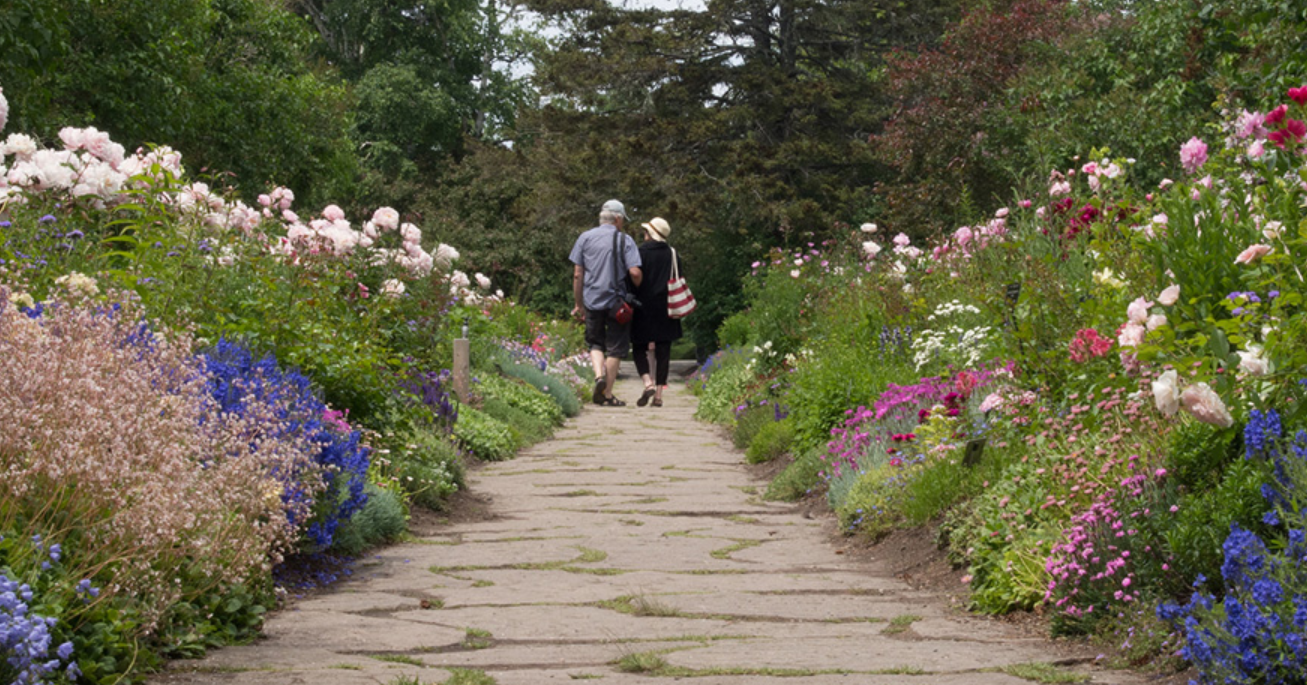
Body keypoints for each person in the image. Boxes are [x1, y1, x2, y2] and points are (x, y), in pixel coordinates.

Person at [569, 199, 643, 406]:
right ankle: (607, 394)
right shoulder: (625, 240)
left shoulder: (584, 238)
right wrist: (639, 287)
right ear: (618, 219)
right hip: (617, 303)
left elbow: (577, 274)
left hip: (592, 299)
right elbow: (635, 271)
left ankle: (598, 376)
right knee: (617, 348)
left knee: (595, 343)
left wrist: (579, 303)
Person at [629, 217, 683, 407]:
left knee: (638, 346)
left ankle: (647, 382)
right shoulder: (673, 253)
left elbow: (633, 276)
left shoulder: (639, 252)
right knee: (663, 351)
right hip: (667, 305)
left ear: (650, 234)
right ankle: (659, 395)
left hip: (643, 304)